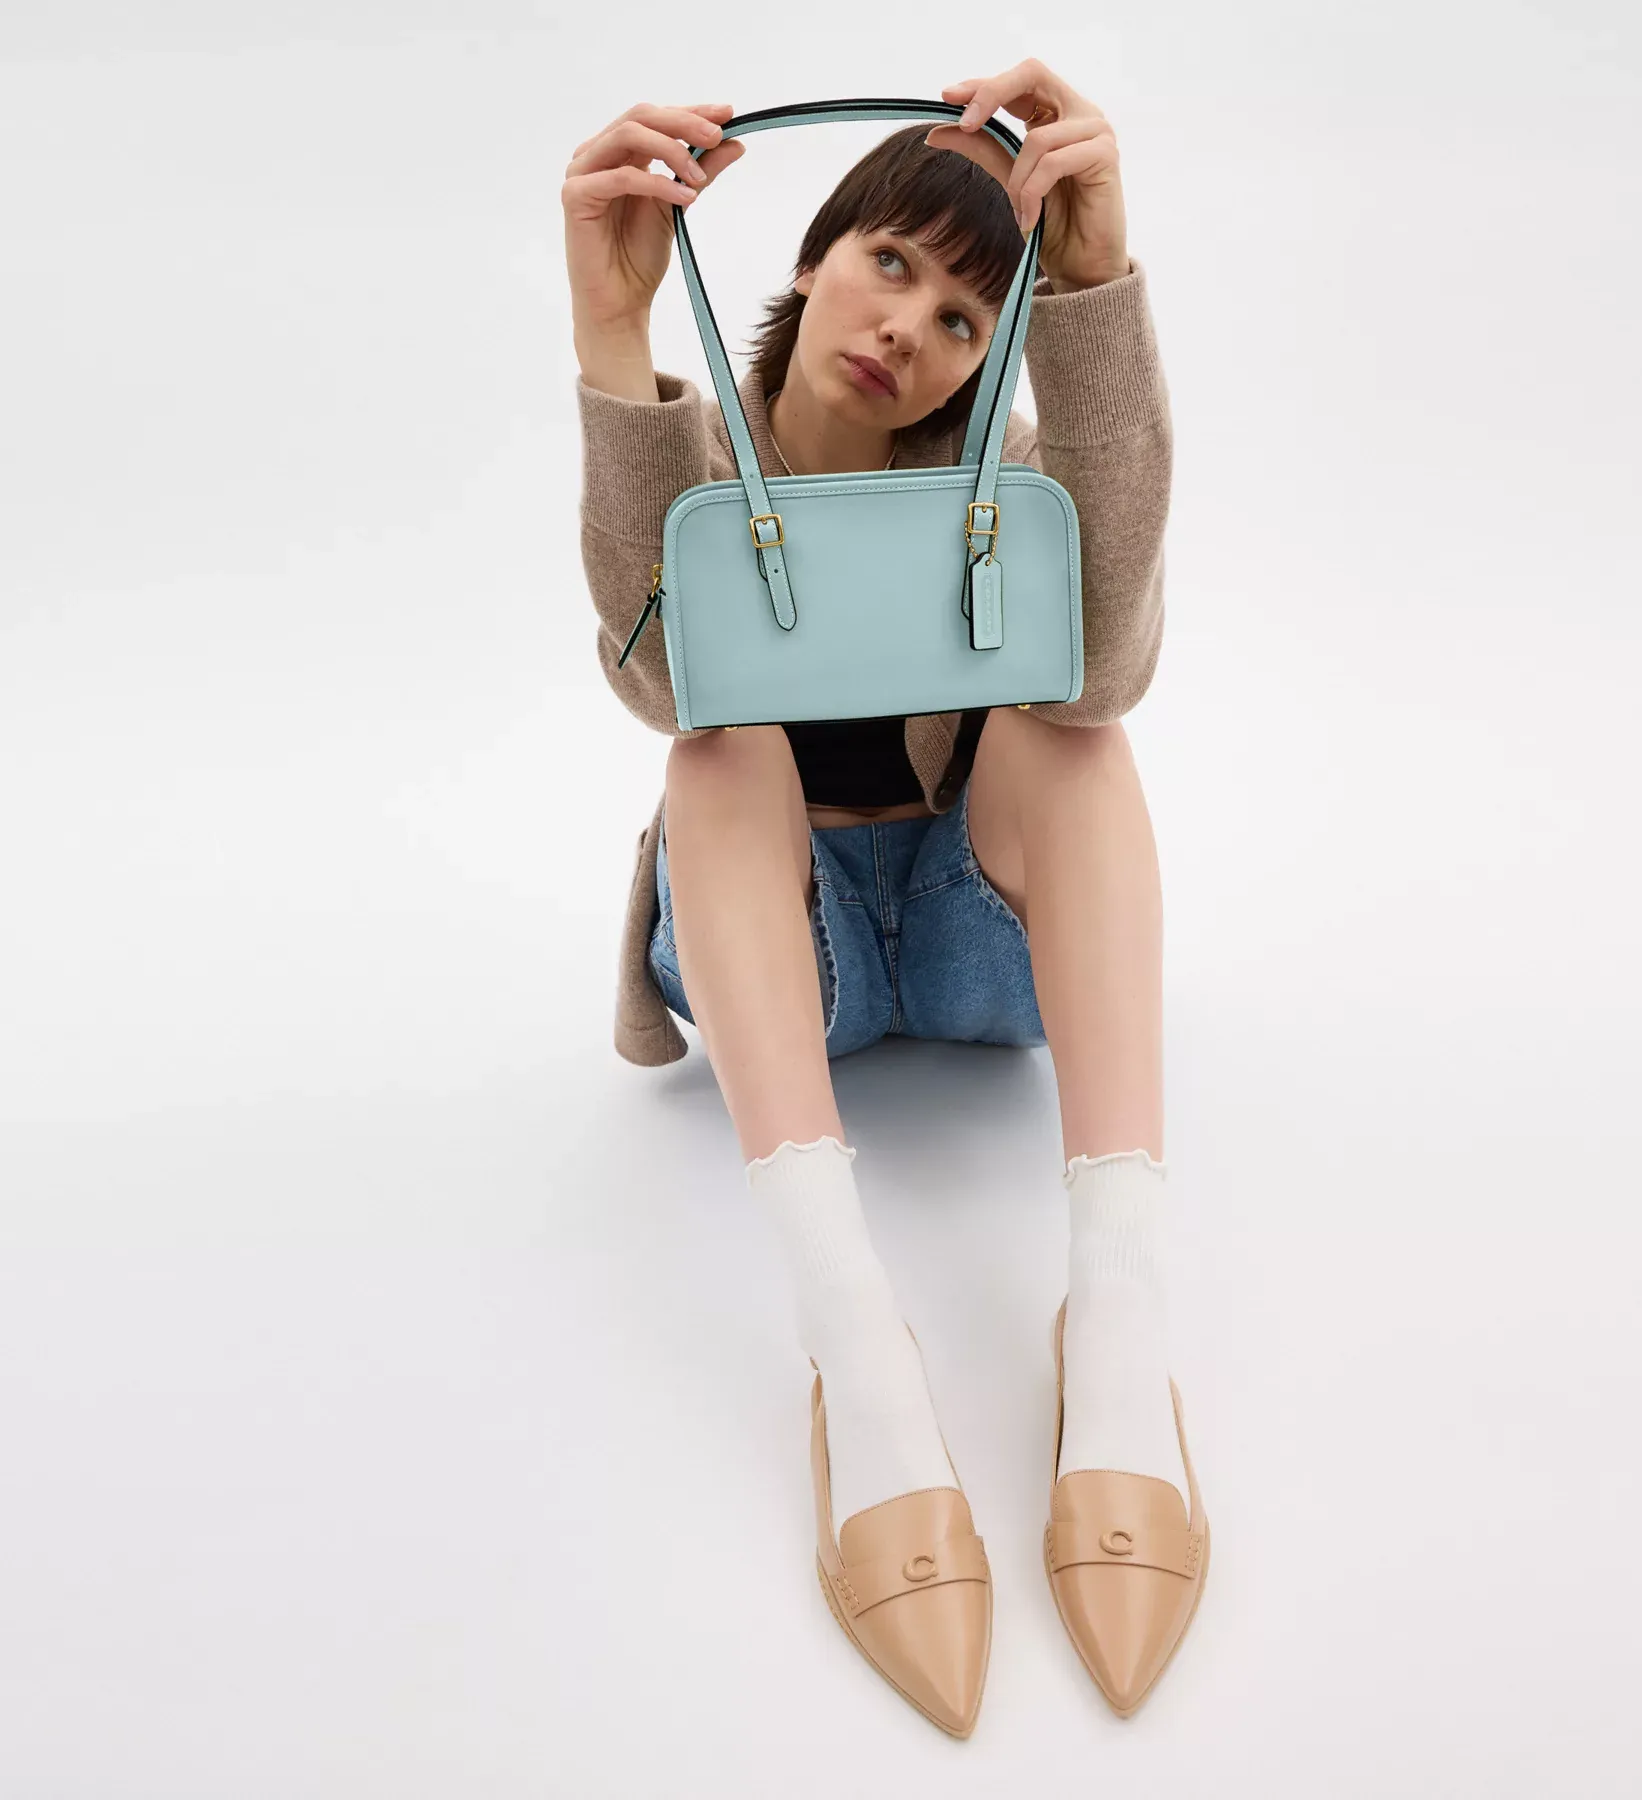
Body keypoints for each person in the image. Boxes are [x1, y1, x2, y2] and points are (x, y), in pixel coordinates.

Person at [561, 65, 1207, 1734]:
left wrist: (1092, 289)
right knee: (717, 747)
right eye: (894, 264)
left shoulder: (1003, 470)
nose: (912, 327)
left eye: (968, 314)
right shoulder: (701, 460)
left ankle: (1121, 1310)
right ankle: (854, 1338)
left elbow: (1109, 666)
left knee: (1078, 730)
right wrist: (613, 336)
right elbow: (661, 685)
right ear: (817, 257)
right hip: (791, 955)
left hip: (978, 938)